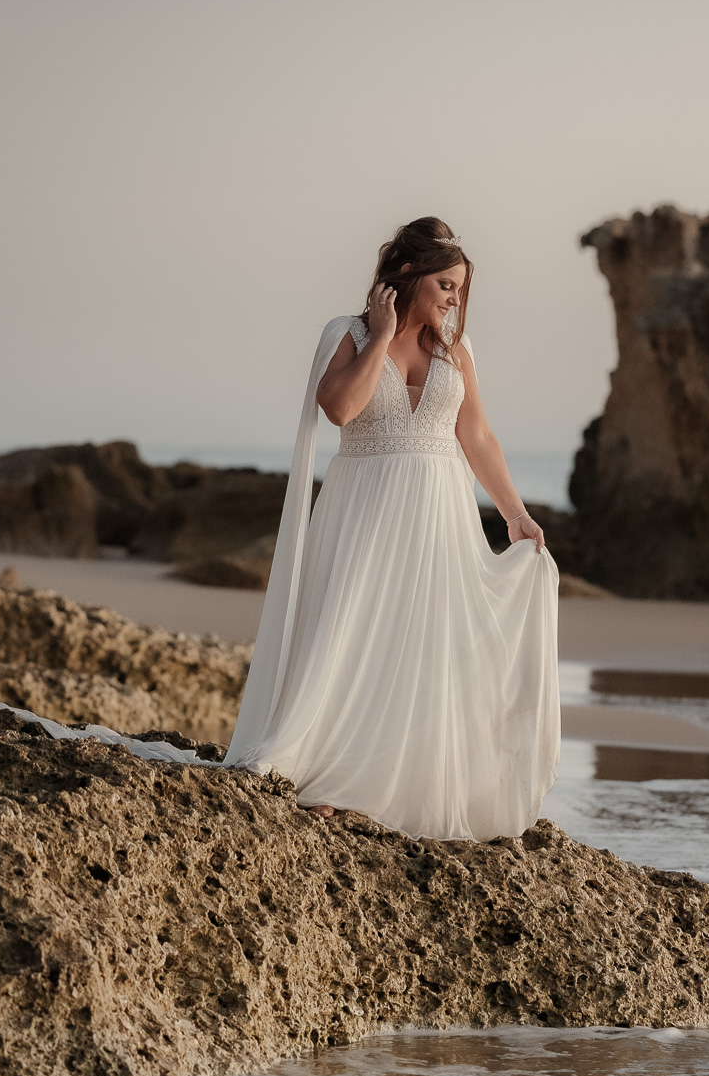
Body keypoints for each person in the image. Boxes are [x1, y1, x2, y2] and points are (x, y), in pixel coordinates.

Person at [223, 217, 560, 840]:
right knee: (350, 632)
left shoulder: (455, 351)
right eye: (445, 284)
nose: (454, 299)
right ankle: (329, 774)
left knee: (424, 644)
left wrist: (515, 514)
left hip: (439, 514)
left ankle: (401, 784)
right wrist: (380, 335)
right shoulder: (347, 334)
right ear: (407, 276)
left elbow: (476, 435)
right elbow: (340, 408)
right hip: (364, 509)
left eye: (460, 288)